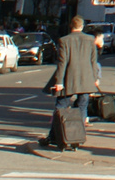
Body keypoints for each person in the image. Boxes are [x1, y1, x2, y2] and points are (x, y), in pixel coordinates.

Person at [38, 16, 100, 150]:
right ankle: (77, 137)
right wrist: (95, 78)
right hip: (86, 79)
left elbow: (62, 62)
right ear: (82, 26)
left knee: (60, 108)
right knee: (82, 107)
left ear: (71, 26)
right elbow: (93, 61)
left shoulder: (64, 40)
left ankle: (54, 136)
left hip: (68, 80)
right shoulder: (90, 40)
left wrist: (59, 81)